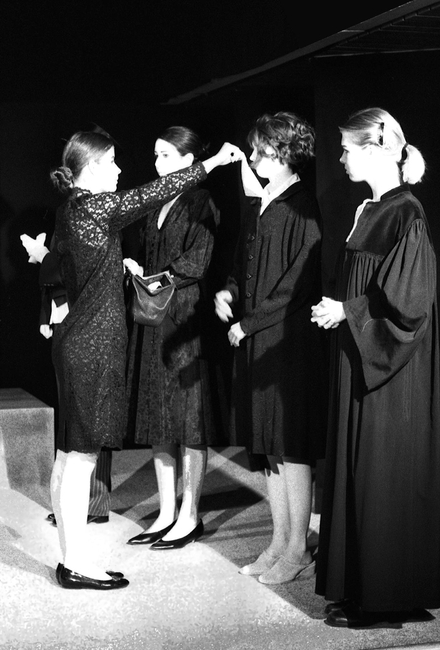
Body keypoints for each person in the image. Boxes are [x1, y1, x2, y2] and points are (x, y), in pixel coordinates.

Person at [46, 127, 241, 590]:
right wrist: (212, 163)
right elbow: (151, 193)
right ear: (92, 167)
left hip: (77, 344)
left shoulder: (73, 210)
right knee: (81, 461)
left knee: (69, 456)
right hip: (91, 349)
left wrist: (118, 268)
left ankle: (72, 559)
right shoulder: (96, 206)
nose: (119, 170)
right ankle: (77, 565)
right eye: (112, 162)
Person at [311, 107, 440, 627]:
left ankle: (385, 600)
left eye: (347, 149)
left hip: (390, 368)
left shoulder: (406, 213)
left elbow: (411, 302)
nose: (340, 159)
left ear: (377, 148)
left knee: (384, 472)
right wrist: (342, 310)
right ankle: (367, 590)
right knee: (362, 468)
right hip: (361, 357)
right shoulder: (372, 209)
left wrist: (348, 311)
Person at [215, 111, 327, 584]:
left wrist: (249, 323)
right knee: (268, 448)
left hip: (286, 343)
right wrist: (229, 292)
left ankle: (298, 549)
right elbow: (243, 265)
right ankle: (280, 542)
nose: (254, 158)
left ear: (283, 153)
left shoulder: (303, 207)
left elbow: (297, 285)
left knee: (290, 447)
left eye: (260, 151)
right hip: (258, 341)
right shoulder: (262, 203)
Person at [124, 126, 223, 549]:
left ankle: (190, 514)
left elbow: (198, 262)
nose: (157, 162)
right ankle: (166, 511)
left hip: (183, 318)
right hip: (153, 316)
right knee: (157, 417)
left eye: (166, 154)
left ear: (188, 159)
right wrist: (137, 269)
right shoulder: (155, 203)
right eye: (156, 154)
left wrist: (154, 279)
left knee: (189, 419)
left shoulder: (202, 200)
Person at [20, 234, 112, 525]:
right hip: (65, 324)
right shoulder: (67, 221)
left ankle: (95, 502)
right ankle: (76, 502)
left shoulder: (95, 222)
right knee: (72, 413)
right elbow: (55, 277)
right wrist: (45, 315)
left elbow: (72, 271)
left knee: (90, 412)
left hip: (89, 327)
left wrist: (42, 255)